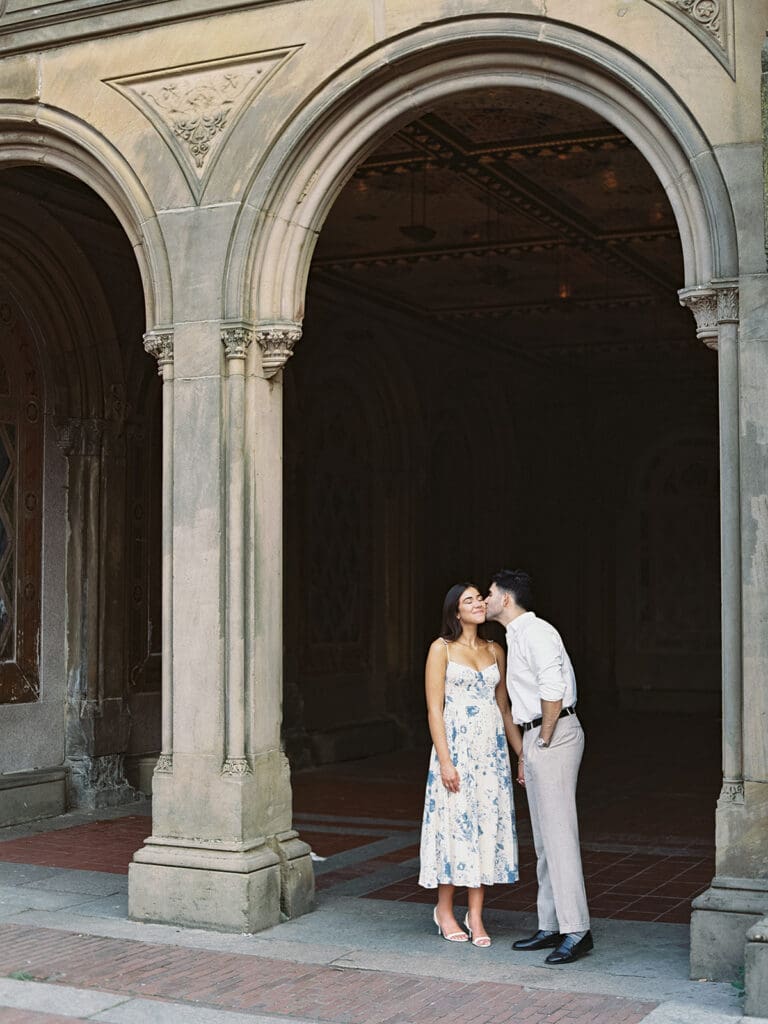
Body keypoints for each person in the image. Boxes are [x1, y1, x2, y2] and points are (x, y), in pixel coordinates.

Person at [485, 569, 593, 965]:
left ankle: (577, 930)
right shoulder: (516, 636)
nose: (486, 597)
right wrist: (526, 750)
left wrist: (544, 737)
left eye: (491, 592)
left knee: (560, 835)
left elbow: (553, 688)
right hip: (536, 736)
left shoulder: (536, 632)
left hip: (555, 732)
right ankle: (551, 924)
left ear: (507, 599)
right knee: (546, 840)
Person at [419, 583, 520, 948]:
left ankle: (475, 915)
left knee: (482, 828)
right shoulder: (441, 649)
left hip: (491, 756)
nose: (478, 604)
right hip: (456, 753)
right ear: (455, 612)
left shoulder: (495, 650)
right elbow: (434, 709)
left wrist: (520, 753)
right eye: (469, 600)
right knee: (454, 826)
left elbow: (504, 708)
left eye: (480, 599)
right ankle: (444, 910)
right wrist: (445, 761)